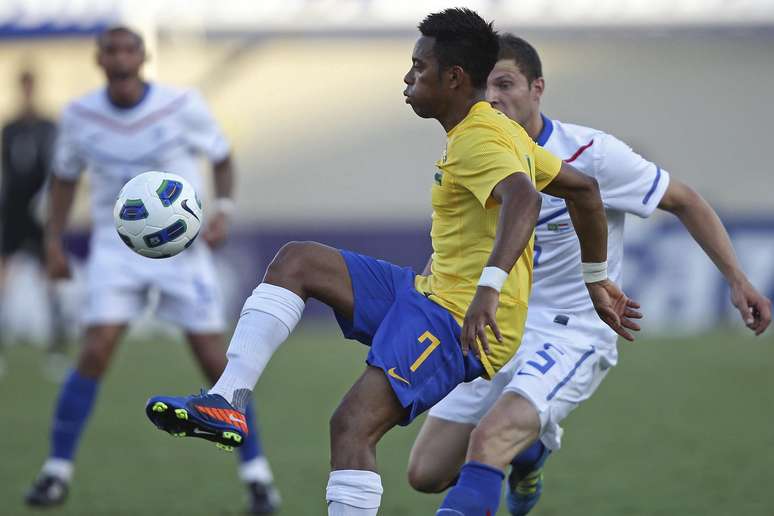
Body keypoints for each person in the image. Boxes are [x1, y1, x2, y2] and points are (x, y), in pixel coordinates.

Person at [144, 9, 639, 516]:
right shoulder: (491, 127)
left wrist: (490, 288)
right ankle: (227, 401)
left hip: (455, 319)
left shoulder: (481, 138)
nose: (407, 78)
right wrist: (597, 280)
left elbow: (525, 201)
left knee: (352, 425)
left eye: (418, 67)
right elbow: (583, 189)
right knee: (298, 262)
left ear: (454, 78)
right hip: (430, 292)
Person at [406, 33, 773, 516]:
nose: (492, 96)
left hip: (569, 332)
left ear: (538, 88)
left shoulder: (591, 154)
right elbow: (454, 242)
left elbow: (684, 200)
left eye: (506, 82)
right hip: (494, 326)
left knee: (491, 440)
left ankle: (517, 446)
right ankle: (531, 454)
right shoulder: (471, 150)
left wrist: (738, 279)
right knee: (425, 473)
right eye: (483, 85)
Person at [24, 26, 280, 514]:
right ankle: (55, 473)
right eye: (111, 52)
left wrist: (223, 207)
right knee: (95, 349)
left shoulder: (181, 105)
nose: (121, 60)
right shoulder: (79, 116)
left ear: (142, 58)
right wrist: (52, 242)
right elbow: (63, 179)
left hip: (184, 252)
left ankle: (258, 476)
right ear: (99, 60)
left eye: (129, 50)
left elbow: (222, 157)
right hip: (115, 249)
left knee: (216, 361)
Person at [0, 69, 66, 378]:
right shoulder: (10, 128)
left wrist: (50, 202)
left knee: (49, 279)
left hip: (41, 212)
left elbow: (57, 165)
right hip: (13, 211)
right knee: (5, 277)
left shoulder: (48, 126)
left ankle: (56, 348)